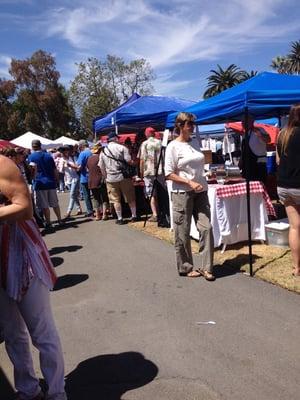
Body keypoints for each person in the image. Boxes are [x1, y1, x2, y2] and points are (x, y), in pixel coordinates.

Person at [0, 154, 67, 400]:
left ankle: (57, 392)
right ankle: (28, 389)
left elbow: (24, 207)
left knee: (42, 332)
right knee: (12, 333)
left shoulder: (2, 165)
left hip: (22, 255)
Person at [165, 112, 215, 280]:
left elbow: (197, 165)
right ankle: (185, 267)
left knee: (206, 228)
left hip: (201, 191)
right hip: (182, 193)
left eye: (193, 124)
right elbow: (168, 174)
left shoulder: (194, 142)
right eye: (189, 124)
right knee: (182, 231)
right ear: (180, 126)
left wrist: (204, 174)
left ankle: (207, 267)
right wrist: (189, 182)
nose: (192, 127)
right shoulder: (173, 146)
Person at [276, 104, 300, 277]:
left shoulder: (282, 134)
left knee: (295, 226)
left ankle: (296, 267)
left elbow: (278, 161)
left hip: (284, 186)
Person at [99, 132, 137, 225]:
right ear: (115, 139)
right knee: (130, 197)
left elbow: (101, 167)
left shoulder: (103, 151)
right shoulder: (122, 148)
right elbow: (128, 161)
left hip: (111, 178)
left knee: (115, 199)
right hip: (124, 176)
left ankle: (120, 218)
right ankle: (134, 216)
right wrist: (135, 163)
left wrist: (105, 177)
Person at [28, 139, 63, 228]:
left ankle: (48, 222)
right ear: (41, 145)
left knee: (44, 205)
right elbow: (55, 170)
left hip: (39, 183)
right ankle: (59, 220)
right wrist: (57, 180)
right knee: (55, 203)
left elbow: (31, 171)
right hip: (50, 182)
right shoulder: (48, 156)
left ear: (32, 147)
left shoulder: (31, 157)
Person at [139, 127, 164, 222]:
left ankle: (155, 214)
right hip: (160, 171)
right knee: (162, 191)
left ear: (146, 134)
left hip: (148, 172)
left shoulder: (144, 144)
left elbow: (142, 160)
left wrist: (141, 174)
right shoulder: (160, 143)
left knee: (151, 193)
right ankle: (164, 212)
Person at [240, 116, 271, 183]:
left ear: (252, 121)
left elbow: (268, 140)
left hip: (258, 166)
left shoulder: (259, 129)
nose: (243, 124)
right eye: (242, 122)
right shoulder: (244, 134)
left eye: (245, 122)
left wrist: (259, 134)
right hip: (247, 166)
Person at [87, 144, 109, 221]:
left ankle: (97, 215)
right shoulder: (100, 157)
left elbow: (88, 169)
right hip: (100, 180)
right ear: (99, 150)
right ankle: (104, 214)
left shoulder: (89, 158)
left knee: (95, 198)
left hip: (91, 181)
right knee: (104, 198)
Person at [61, 146, 82, 219]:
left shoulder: (73, 158)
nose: (65, 152)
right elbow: (60, 171)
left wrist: (71, 166)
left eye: (66, 150)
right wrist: (62, 167)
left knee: (72, 194)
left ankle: (68, 212)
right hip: (67, 180)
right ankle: (79, 209)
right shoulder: (61, 160)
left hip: (75, 178)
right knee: (74, 195)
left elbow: (78, 167)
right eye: (63, 151)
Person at [76, 140, 93, 217]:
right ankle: (99, 210)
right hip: (93, 176)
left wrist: (70, 165)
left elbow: (78, 167)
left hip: (85, 177)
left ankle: (90, 211)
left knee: (86, 196)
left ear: (81, 146)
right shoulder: (92, 152)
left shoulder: (82, 154)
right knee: (96, 195)